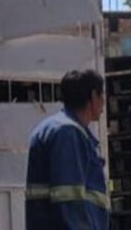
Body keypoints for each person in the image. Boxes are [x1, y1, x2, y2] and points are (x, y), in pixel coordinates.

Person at [26, 69, 110, 229]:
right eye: (102, 95)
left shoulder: (56, 128)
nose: (104, 102)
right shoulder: (67, 133)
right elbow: (70, 203)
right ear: (93, 96)